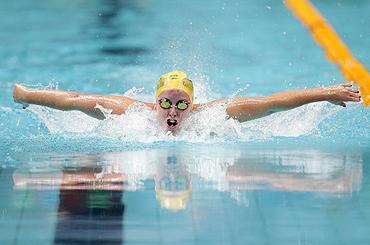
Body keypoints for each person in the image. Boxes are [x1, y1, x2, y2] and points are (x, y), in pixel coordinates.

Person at [13, 70, 361, 133]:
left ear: (194, 104)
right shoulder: (131, 114)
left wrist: (325, 93)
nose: (173, 111)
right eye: (167, 102)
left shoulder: (215, 117)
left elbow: (272, 103)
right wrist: (27, 95)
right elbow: (74, 100)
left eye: (182, 103)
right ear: (155, 101)